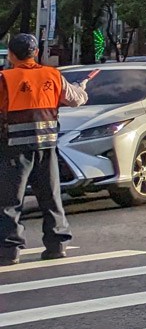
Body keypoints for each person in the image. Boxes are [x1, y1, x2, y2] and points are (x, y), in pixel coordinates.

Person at [0, 34, 90, 263]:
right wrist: (81, 87)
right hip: (47, 147)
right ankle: (57, 244)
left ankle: (9, 250)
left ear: (11, 55)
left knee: (10, 200)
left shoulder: (5, 79)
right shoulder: (53, 75)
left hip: (13, 148)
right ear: (36, 53)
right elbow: (77, 99)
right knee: (50, 196)